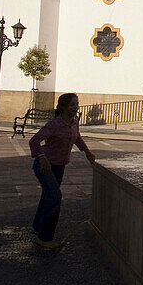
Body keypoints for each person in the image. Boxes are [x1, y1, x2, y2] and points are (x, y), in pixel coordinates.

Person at [28, 92, 95, 249]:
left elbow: (77, 138)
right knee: (54, 197)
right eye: (72, 105)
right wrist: (41, 157)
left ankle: (37, 226)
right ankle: (44, 237)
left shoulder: (74, 123)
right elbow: (34, 141)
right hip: (45, 166)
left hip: (59, 166)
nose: (75, 108)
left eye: (77, 105)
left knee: (47, 196)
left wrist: (87, 152)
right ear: (63, 107)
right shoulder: (54, 125)